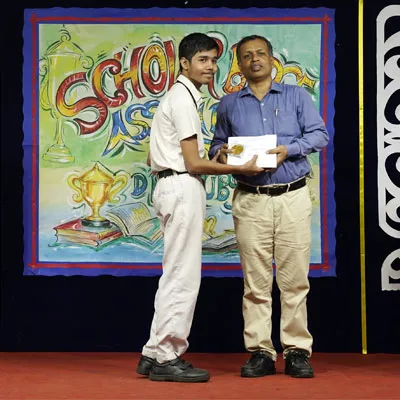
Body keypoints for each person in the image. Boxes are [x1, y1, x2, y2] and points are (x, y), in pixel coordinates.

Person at [136, 32, 263, 383]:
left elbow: (156, 156)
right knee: (183, 276)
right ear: (184, 63)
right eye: (203, 60)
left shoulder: (177, 97)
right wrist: (239, 167)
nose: (210, 67)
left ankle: (153, 352)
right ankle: (167, 356)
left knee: (174, 272)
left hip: (172, 184)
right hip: (181, 186)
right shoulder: (183, 100)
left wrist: (216, 158)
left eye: (213, 60)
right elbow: (192, 164)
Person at [209, 35, 329, 379]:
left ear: (272, 59)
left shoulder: (296, 96)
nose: (254, 60)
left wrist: (288, 150)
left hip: (292, 196)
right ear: (240, 65)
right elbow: (217, 146)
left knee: (294, 280)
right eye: (247, 56)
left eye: (260, 53)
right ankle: (260, 351)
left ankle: (296, 351)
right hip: (250, 199)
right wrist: (223, 154)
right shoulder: (229, 104)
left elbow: (319, 135)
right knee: (255, 282)